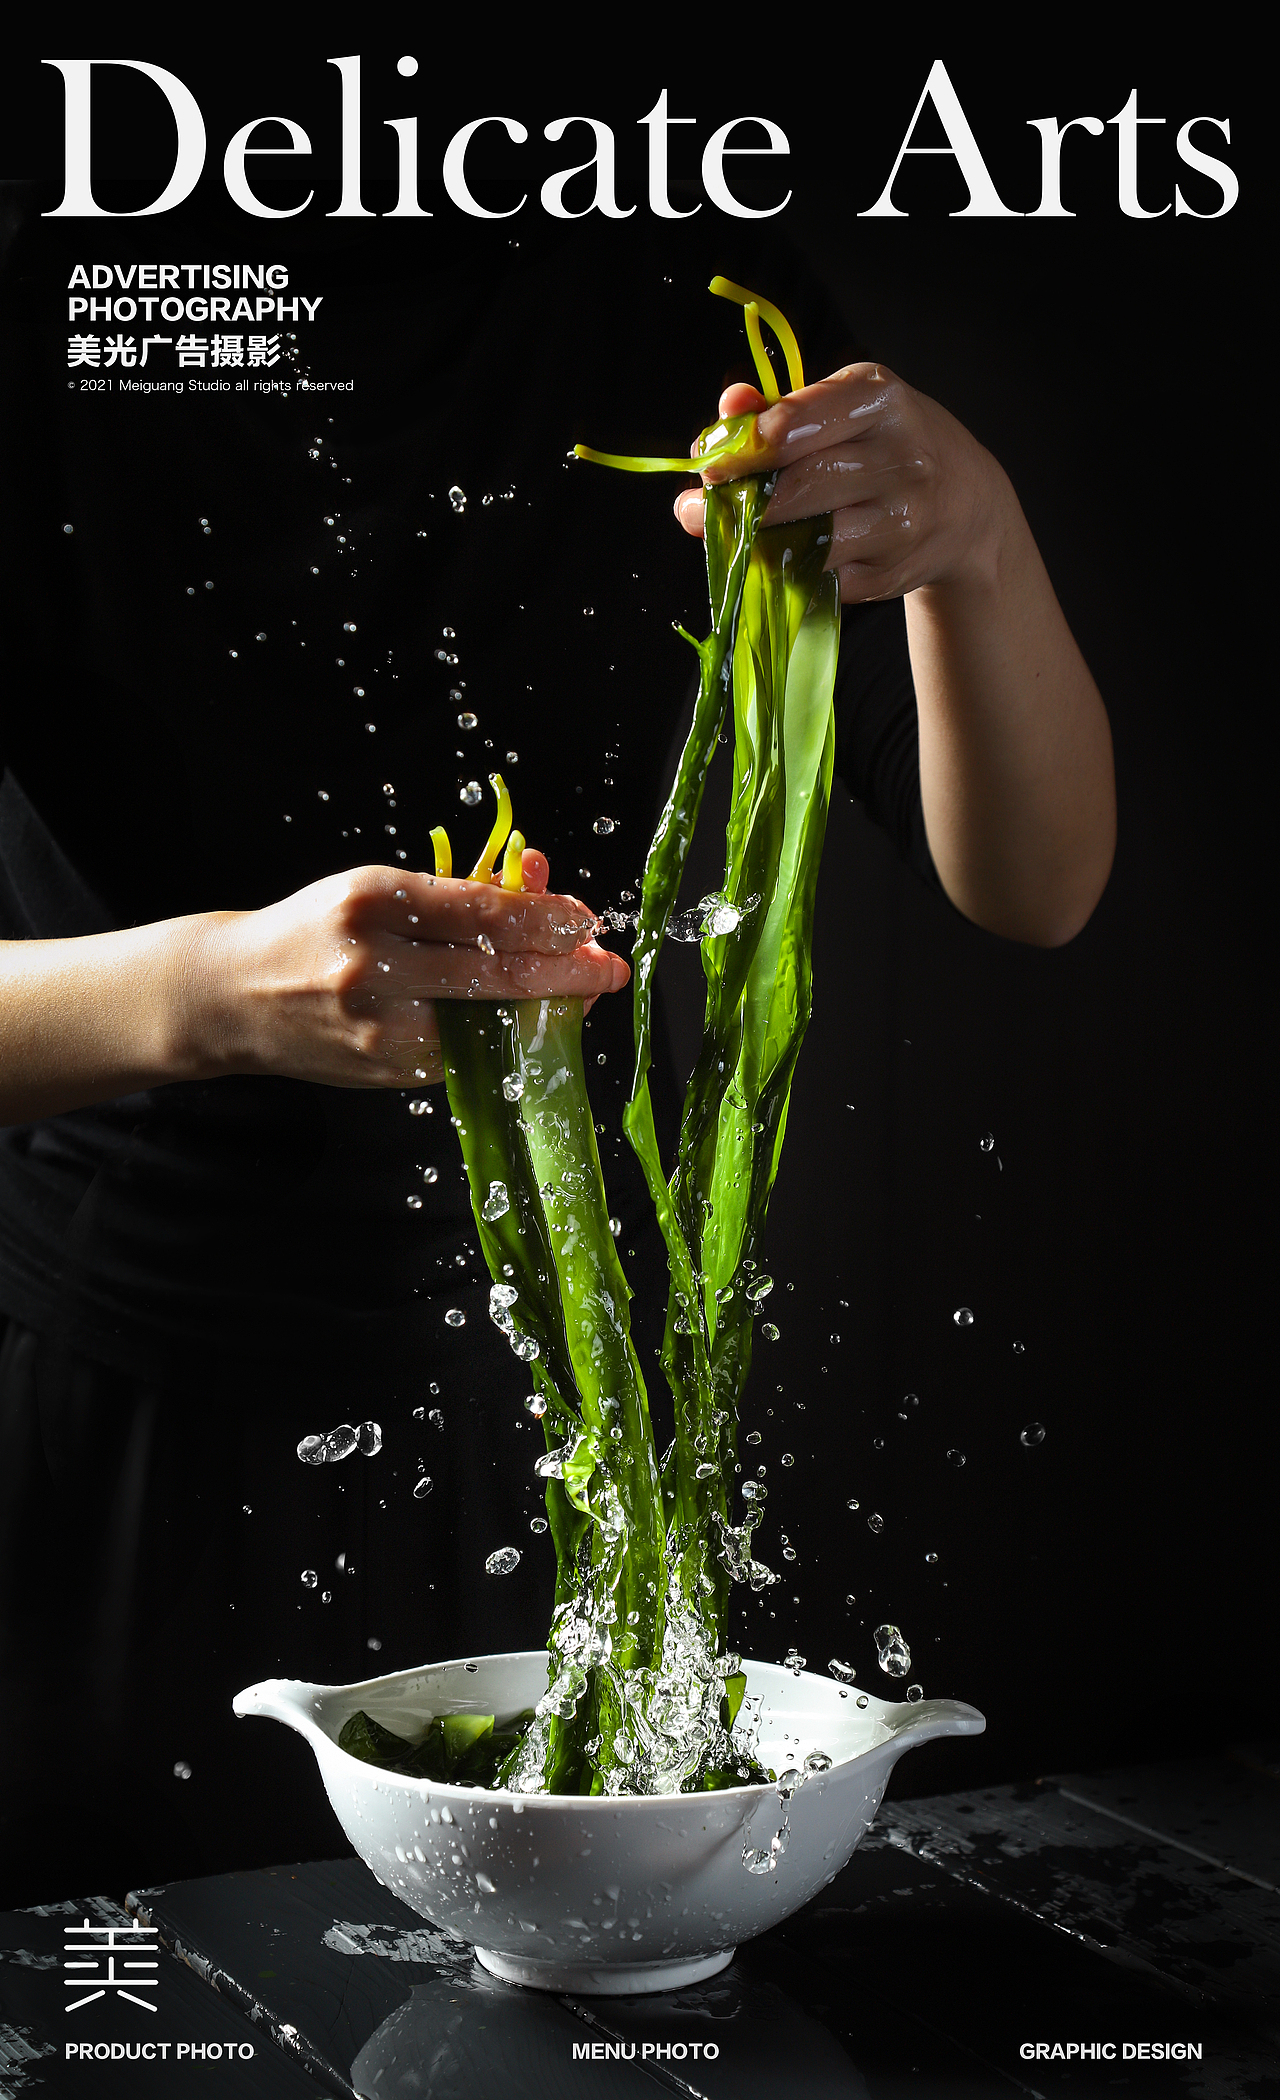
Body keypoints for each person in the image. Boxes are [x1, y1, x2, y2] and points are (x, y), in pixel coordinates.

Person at [0, 211, 1113, 1901]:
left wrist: (983, 544)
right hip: (125, 1418)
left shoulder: (669, 287)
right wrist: (216, 991)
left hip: (592, 1412)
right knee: (157, 2005)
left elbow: (1035, 882)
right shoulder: (51, 320)